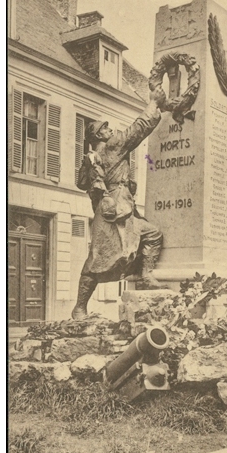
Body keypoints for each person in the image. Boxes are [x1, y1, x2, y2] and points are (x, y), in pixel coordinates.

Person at [71, 87, 167, 320]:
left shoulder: (93, 157)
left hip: (122, 208)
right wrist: (154, 102)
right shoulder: (112, 147)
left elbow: (81, 183)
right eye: (105, 128)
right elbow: (138, 129)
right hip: (112, 210)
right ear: (99, 136)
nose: (110, 129)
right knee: (98, 259)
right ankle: (80, 307)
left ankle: (144, 274)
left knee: (152, 234)